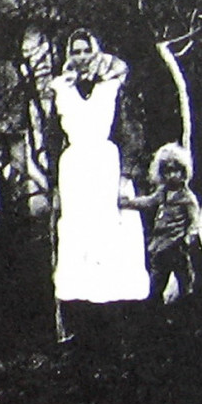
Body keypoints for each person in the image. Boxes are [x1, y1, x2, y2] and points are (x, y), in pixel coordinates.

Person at [49, 30, 148, 314]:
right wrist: (54, 183)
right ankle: (84, 319)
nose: (81, 57)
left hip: (106, 166)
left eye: (85, 51)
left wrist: (126, 174)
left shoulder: (113, 85)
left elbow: (130, 129)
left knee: (111, 237)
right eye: (75, 52)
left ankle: (116, 315)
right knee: (79, 236)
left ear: (96, 51)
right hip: (75, 170)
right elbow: (53, 136)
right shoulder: (62, 89)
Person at [120, 142, 200, 306]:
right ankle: (155, 316)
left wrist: (188, 238)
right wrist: (129, 203)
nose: (172, 175)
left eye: (176, 170)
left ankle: (188, 315)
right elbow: (149, 201)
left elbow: (194, 222)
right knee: (156, 283)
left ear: (183, 171)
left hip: (177, 247)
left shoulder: (187, 197)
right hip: (161, 247)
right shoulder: (163, 192)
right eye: (167, 171)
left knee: (185, 285)